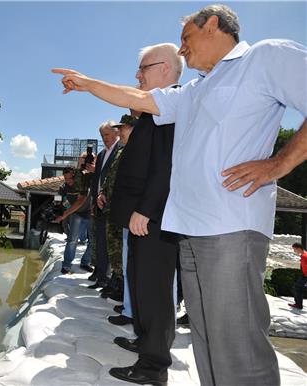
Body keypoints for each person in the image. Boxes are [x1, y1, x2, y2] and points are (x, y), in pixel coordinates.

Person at [52, 4, 307, 385]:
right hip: (189, 227)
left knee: (237, 345)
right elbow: (139, 99)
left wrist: (279, 164)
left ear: (214, 26)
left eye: (186, 39)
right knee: (206, 339)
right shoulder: (194, 89)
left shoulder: (264, 57)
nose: (182, 50)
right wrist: (89, 83)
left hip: (230, 227)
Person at [101, 43, 183, 384]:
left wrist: (145, 210)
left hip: (153, 218)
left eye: (143, 68)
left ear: (165, 68)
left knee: (153, 291)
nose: (137, 75)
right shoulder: (153, 111)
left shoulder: (171, 106)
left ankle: (153, 366)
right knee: (140, 284)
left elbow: (165, 166)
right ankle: (145, 343)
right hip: (142, 218)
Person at [96, 116, 135, 301]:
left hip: (123, 209)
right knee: (114, 250)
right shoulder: (120, 152)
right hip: (111, 208)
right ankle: (118, 284)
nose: (119, 133)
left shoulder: (132, 150)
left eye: (122, 129)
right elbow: (110, 177)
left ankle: (122, 289)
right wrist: (101, 193)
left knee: (121, 250)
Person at [87, 120, 124, 289]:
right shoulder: (101, 155)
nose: (104, 138)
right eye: (102, 136)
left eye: (107, 135)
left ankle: (114, 280)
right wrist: (94, 200)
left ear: (117, 133)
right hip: (100, 204)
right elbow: (97, 180)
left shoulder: (122, 150)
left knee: (113, 245)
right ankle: (101, 276)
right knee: (100, 241)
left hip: (114, 205)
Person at [56, 164, 94, 274]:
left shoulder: (84, 184)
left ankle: (85, 262)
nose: (68, 181)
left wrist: (65, 214)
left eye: (70, 178)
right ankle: (67, 265)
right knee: (72, 240)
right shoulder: (63, 187)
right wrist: (59, 204)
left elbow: (80, 201)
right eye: (65, 178)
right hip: (75, 214)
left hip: (90, 213)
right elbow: (59, 199)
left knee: (92, 240)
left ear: (75, 176)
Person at [289, 242, 307, 310]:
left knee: (297, 288)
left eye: (295, 249)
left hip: (305, 276)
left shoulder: (304, 256)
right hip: (304, 276)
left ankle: (298, 305)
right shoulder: (304, 255)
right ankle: (298, 304)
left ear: (299, 248)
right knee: (297, 288)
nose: (294, 251)